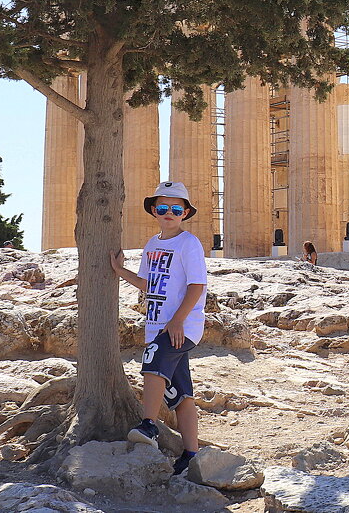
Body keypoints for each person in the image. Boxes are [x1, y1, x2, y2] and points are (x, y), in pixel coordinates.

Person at [110, 181, 207, 477]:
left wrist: (177, 320)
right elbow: (146, 284)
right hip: (156, 326)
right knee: (180, 394)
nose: (169, 213)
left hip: (181, 326)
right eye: (163, 208)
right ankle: (192, 455)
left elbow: (197, 285)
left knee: (151, 366)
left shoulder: (189, 243)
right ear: (154, 210)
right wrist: (118, 270)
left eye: (176, 209)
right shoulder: (152, 244)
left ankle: (148, 425)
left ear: (185, 213)